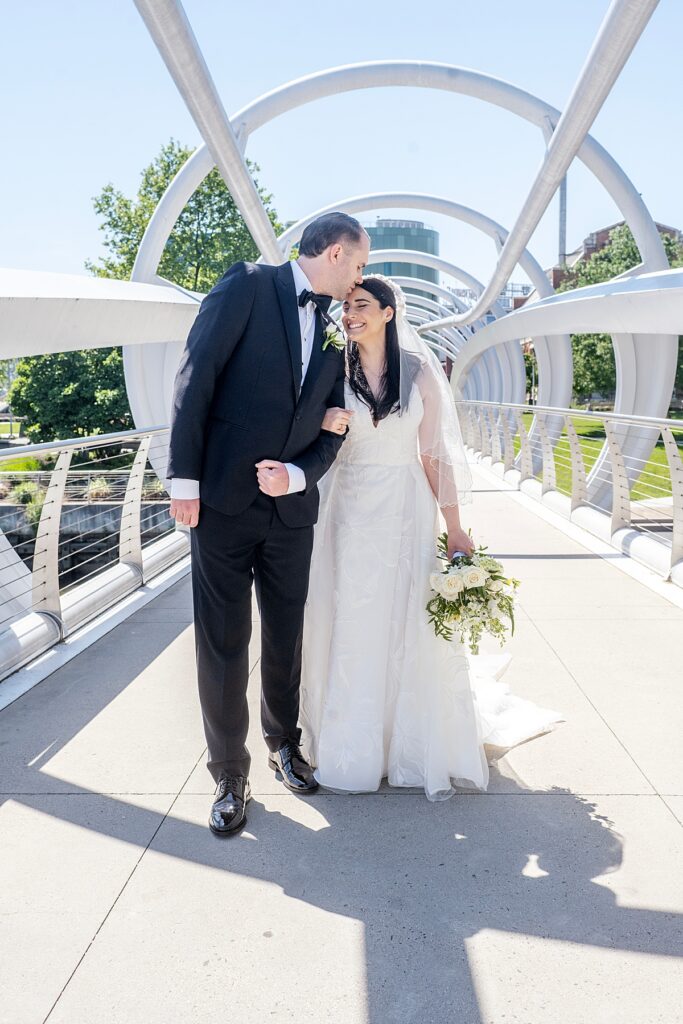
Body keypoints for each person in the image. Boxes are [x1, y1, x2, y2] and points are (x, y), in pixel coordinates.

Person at [299, 276, 562, 800]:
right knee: (350, 613)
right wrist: (324, 419)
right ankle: (350, 742)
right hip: (348, 505)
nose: (349, 315)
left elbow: (433, 456)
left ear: (389, 312)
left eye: (361, 306)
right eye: (346, 307)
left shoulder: (419, 374)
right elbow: (301, 427)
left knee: (404, 615)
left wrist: (457, 528)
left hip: (406, 507)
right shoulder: (331, 368)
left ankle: (406, 739)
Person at [167, 212, 370, 835]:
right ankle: (230, 774)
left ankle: (285, 743)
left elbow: (336, 430)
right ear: (335, 253)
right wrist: (183, 480)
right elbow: (194, 379)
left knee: (287, 638)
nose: (361, 277)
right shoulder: (247, 286)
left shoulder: (339, 339)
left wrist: (300, 475)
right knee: (223, 643)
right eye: (359, 264)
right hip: (221, 505)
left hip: (292, 514)